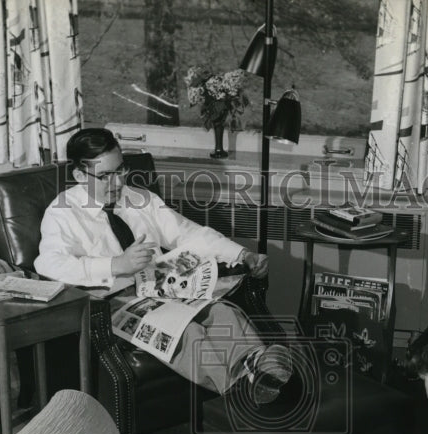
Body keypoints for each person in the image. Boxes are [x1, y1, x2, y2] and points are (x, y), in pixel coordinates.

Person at [35, 127, 291, 404]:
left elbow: (189, 233)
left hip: (163, 289)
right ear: (79, 176)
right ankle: (243, 393)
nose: (117, 182)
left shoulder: (141, 199)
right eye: (104, 176)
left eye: (120, 170)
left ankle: (258, 369)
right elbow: (48, 263)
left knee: (222, 313)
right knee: (188, 333)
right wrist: (114, 265)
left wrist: (242, 255)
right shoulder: (61, 212)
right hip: (114, 303)